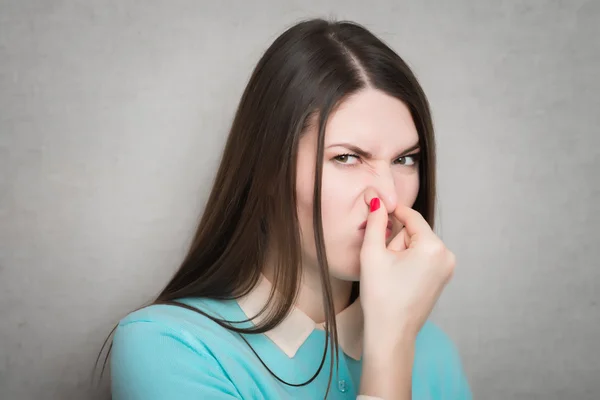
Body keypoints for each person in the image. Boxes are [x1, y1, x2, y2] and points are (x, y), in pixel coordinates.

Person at [107, 18, 472, 400]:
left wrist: (396, 336)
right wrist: (391, 352)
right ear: (268, 169)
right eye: (347, 157)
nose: (389, 197)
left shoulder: (433, 351)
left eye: (406, 160)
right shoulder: (171, 347)